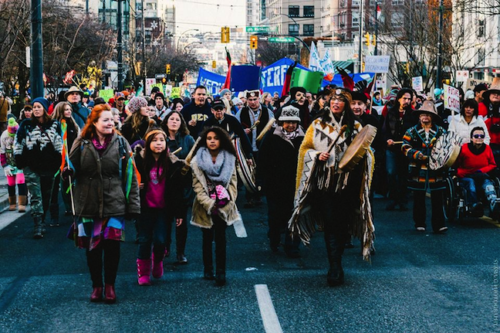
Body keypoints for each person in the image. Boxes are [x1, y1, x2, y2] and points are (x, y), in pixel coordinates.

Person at [289, 89, 375, 287]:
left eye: (340, 100)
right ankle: (334, 266)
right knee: (330, 223)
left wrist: (361, 157)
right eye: (333, 100)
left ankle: (338, 262)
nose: (335, 103)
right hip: (324, 184)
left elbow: (367, 151)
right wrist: (316, 156)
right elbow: (304, 149)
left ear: (347, 104)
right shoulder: (317, 124)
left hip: (348, 183)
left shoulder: (355, 126)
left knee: (342, 224)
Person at [68, 104, 140, 303]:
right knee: (92, 249)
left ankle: (110, 285)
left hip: (114, 203)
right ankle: (96, 285)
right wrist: (68, 171)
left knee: (112, 247)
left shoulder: (121, 143)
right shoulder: (81, 142)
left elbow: (130, 175)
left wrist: (133, 205)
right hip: (88, 204)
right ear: (95, 123)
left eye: (112, 119)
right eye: (106, 120)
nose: (111, 123)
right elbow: (71, 167)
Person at [134, 124, 186, 285]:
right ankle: (143, 273)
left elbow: (178, 191)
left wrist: (179, 213)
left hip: (164, 209)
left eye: (162, 140)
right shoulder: (139, 161)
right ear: (148, 143)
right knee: (144, 239)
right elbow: (127, 180)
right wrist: (137, 186)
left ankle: (157, 262)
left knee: (161, 240)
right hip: (145, 208)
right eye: (155, 140)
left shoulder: (172, 163)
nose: (158, 143)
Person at [190, 126, 241, 286]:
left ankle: (221, 271)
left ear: (222, 140)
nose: (212, 141)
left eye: (216, 138)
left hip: (224, 204)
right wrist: (209, 204)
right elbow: (197, 186)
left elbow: (233, 185)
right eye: (209, 138)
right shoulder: (197, 159)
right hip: (205, 205)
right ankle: (208, 268)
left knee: (221, 239)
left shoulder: (230, 158)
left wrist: (225, 204)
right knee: (206, 238)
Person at [14, 97, 63, 238]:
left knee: (46, 195)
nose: (35, 109)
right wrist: (19, 160)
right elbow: (19, 143)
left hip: (49, 166)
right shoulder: (25, 124)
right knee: (36, 195)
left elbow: (58, 144)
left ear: (45, 109)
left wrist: (58, 162)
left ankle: (42, 219)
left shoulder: (54, 124)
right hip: (31, 165)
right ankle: (38, 224)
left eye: (38, 107)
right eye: (34, 107)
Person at [258, 105, 303, 257]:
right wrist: (261, 181)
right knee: (275, 214)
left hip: (296, 183)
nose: (290, 125)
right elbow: (262, 159)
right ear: (281, 122)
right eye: (287, 121)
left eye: (294, 122)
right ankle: (275, 238)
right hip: (274, 183)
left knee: (295, 214)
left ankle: (292, 246)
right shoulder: (271, 136)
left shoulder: (304, 137)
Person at [401, 101, 447, 233]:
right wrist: (416, 154)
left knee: (438, 197)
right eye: (423, 114)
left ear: (433, 117)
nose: (425, 117)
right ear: (419, 116)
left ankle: (439, 225)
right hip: (418, 168)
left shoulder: (441, 131)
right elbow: (404, 146)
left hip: (436, 168)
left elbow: (447, 147)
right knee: (419, 197)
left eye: (428, 114)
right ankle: (419, 223)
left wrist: (438, 156)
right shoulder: (411, 131)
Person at [160, 111, 195, 264]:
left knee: (181, 221)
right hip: (164, 185)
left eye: (177, 119)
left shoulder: (188, 139)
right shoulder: (160, 138)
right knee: (165, 220)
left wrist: (183, 163)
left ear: (181, 123)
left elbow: (196, 159)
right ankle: (165, 247)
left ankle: (180, 252)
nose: (174, 122)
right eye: (171, 119)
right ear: (166, 121)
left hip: (182, 186)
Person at [235, 90, 275, 207]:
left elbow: (274, 127)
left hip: (262, 147)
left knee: (261, 171)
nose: (253, 102)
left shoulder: (267, 112)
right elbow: (235, 128)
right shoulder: (241, 112)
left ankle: (259, 195)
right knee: (249, 172)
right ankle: (249, 197)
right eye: (250, 100)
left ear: (259, 99)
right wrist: (243, 131)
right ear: (247, 101)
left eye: (255, 99)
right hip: (247, 147)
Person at [382, 88, 417, 211]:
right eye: (404, 98)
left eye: (409, 99)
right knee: (391, 172)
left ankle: (402, 199)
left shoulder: (413, 114)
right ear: (399, 99)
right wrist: (388, 140)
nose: (407, 101)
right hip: (392, 148)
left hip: (405, 149)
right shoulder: (391, 112)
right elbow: (385, 130)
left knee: (403, 174)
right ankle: (393, 198)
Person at [456, 127, 498, 216]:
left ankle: (494, 203)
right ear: (471, 138)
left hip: (481, 175)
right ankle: (474, 205)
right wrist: (469, 173)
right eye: (476, 136)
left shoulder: (487, 148)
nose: (479, 138)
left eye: (481, 136)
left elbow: (493, 164)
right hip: (467, 176)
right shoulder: (464, 148)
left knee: (488, 185)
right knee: (471, 184)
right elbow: (457, 166)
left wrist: (480, 171)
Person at [52, 102, 80, 218]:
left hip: (71, 157)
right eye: (66, 110)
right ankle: (54, 214)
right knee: (55, 187)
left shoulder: (73, 124)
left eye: (69, 109)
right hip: (57, 158)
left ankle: (70, 207)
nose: (68, 112)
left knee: (68, 183)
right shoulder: (55, 125)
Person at [1, 118, 27, 212]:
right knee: (11, 183)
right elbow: (2, 152)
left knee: (21, 181)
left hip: (19, 162)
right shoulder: (4, 136)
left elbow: (25, 150)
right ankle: (12, 203)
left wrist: (25, 162)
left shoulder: (21, 133)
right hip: (9, 162)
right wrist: (4, 165)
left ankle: (22, 203)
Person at [484, 79, 500, 164]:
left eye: (499, 94)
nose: (496, 95)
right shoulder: (481, 107)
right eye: (494, 93)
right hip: (486, 146)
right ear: (489, 95)